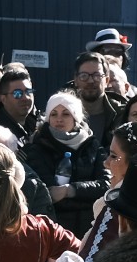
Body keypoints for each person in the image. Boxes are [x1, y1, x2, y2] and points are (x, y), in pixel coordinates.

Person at [22, 93, 105, 236]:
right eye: (53, 114)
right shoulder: (38, 148)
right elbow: (50, 195)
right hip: (56, 231)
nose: (59, 119)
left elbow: (106, 186)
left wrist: (70, 190)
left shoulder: (93, 146)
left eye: (66, 114)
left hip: (91, 229)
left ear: (75, 118)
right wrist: (88, 199)